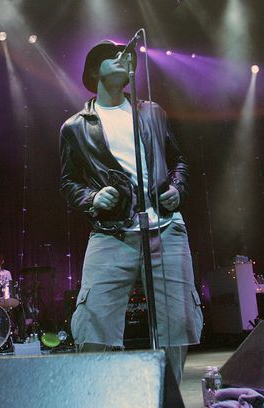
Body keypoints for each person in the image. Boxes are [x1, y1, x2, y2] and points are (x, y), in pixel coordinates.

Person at [59, 40, 203, 383]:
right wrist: (92, 199)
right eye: (114, 56)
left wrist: (176, 189)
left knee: (176, 321)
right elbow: (68, 182)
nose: (124, 59)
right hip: (111, 233)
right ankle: (96, 403)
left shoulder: (153, 112)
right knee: (94, 322)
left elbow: (179, 160)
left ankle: (167, 406)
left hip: (165, 228)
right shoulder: (76, 126)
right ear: (94, 71)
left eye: (128, 57)